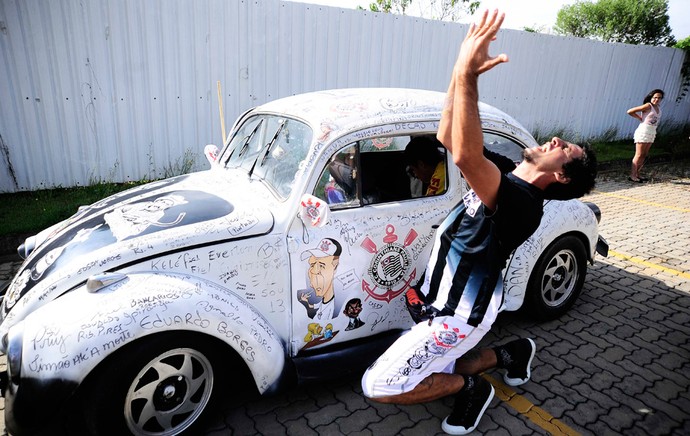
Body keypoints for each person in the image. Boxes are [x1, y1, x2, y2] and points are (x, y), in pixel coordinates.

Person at [361, 10, 598, 435]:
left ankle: (473, 389)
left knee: (377, 384)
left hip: (459, 314)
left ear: (561, 176)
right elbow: (448, 137)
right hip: (440, 300)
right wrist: (458, 69)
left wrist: (470, 76)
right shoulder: (507, 172)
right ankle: (512, 353)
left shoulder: (525, 204)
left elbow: (466, 157)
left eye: (567, 151)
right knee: (448, 361)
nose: (558, 140)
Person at [626, 89, 664, 182]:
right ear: (651, 97)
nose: (657, 99)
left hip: (652, 131)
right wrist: (639, 118)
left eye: (659, 98)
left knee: (644, 154)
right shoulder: (648, 106)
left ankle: (638, 173)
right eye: (655, 97)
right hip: (644, 131)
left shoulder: (658, 108)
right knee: (638, 154)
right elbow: (630, 111)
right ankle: (633, 175)